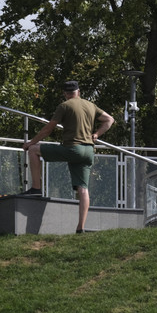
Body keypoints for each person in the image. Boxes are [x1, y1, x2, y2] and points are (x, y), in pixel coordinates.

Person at [22, 80, 114, 233]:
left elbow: (48, 130)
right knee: (83, 188)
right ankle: (80, 228)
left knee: (33, 150)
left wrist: (30, 142)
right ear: (79, 92)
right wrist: (97, 134)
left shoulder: (64, 106)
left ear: (65, 94)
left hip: (72, 148)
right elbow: (110, 119)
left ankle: (36, 188)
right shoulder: (91, 105)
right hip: (88, 151)